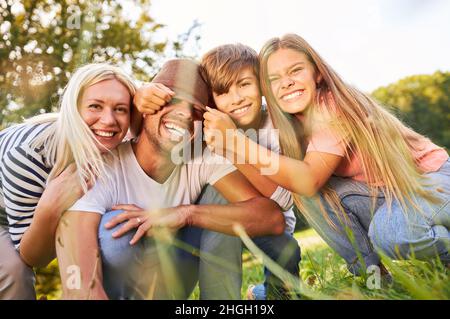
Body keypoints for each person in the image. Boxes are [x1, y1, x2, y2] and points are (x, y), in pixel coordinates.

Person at [204, 33, 450, 277]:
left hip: (430, 179)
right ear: (267, 88)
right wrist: (230, 147)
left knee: (392, 234)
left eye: (295, 70)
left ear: (317, 73)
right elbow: (283, 192)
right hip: (384, 191)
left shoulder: (333, 105)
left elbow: (308, 180)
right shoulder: (287, 123)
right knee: (311, 193)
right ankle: (373, 277)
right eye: (274, 78)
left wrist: (235, 142)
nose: (286, 82)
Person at [55, 58, 285, 300]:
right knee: (116, 230)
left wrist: (187, 213)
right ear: (145, 108)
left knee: (221, 205)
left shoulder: (201, 159)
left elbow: (271, 218)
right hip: (111, 291)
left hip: (169, 283)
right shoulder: (101, 168)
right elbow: (80, 284)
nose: (184, 114)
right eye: (171, 101)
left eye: (196, 111)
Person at [138, 44, 301, 300]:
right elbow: (149, 125)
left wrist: (234, 144)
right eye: (223, 92)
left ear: (261, 84)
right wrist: (140, 92)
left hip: (270, 223)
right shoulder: (202, 134)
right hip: (219, 222)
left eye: (244, 84)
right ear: (212, 102)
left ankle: (269, 294)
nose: (236, 98)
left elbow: (284, 200)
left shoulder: (278, 126)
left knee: (284, 250)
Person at [0, 62, 141, 299]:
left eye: (120, 109)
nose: (108, 120)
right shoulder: (29, 154)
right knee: (14, 272)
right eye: (95, 106)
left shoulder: (121, 141)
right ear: (73, 109)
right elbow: (34, 257)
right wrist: (50, 208)